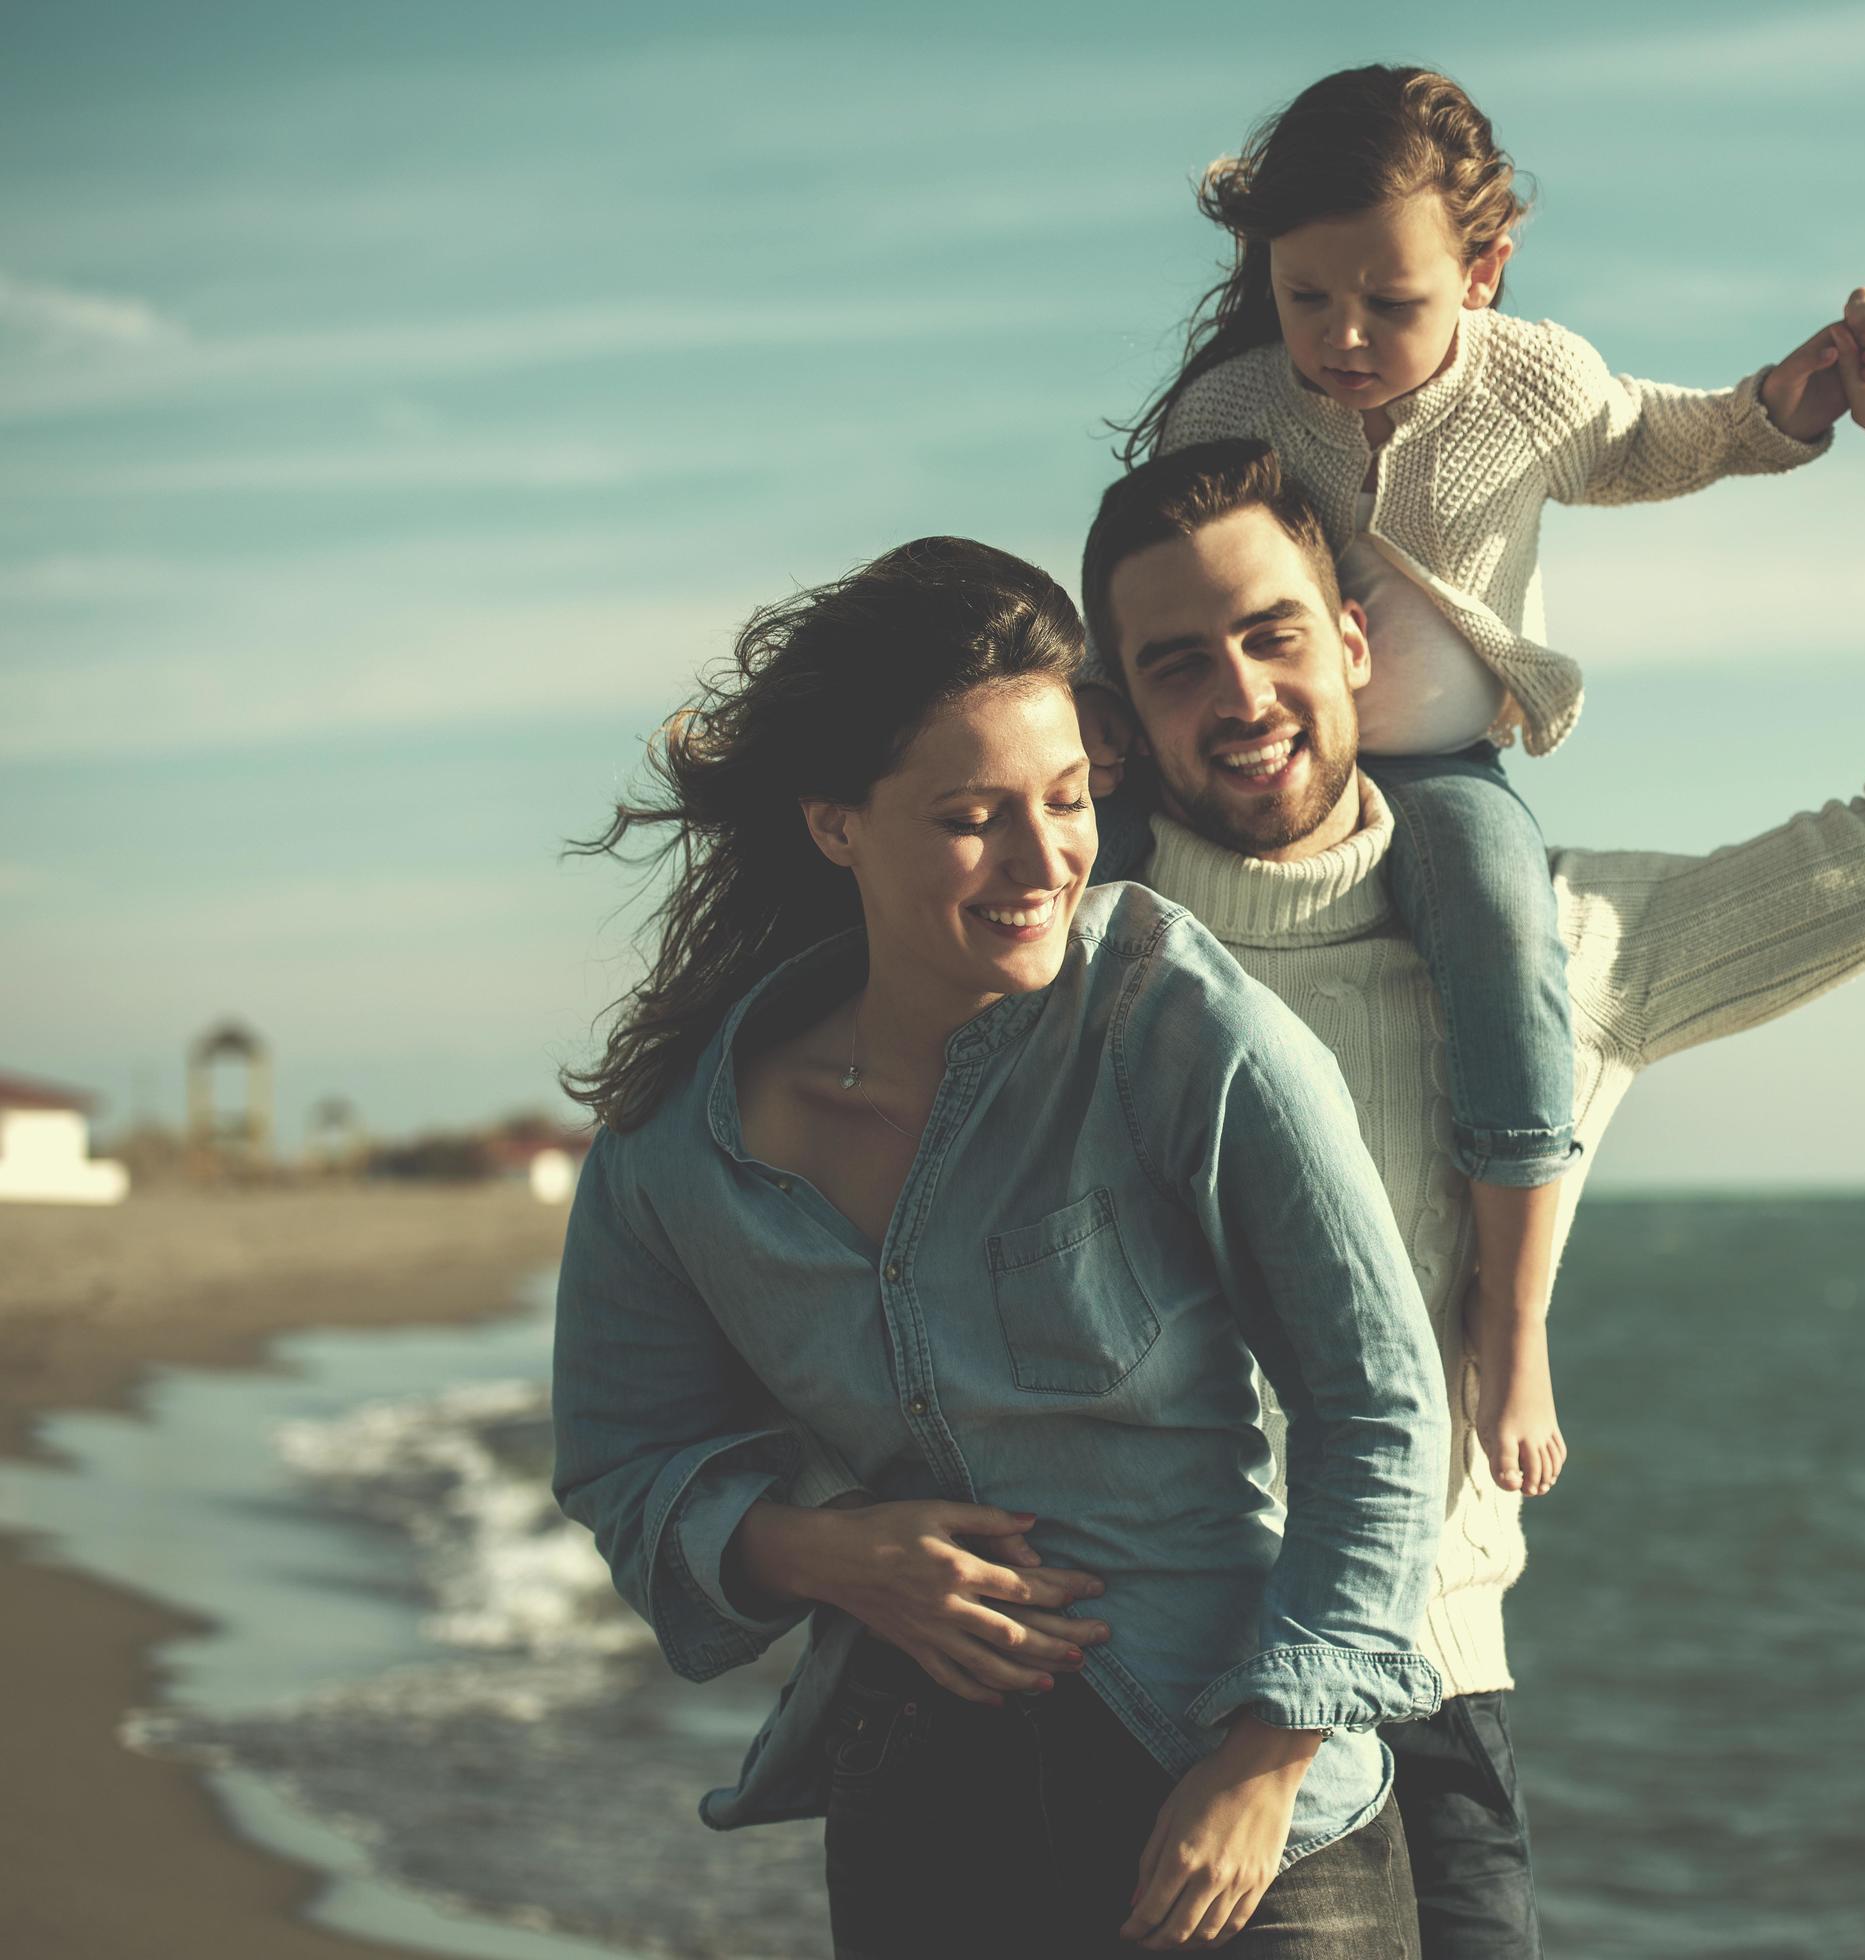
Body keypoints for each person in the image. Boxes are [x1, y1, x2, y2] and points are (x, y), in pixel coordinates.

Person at [1020, 282, 1865, 1957]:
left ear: (1354, 640)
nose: (1242, 694)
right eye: (1179, 663)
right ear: (1117, 713)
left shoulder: (1546, 954)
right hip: (1120, 1694)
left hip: (1429, 1697)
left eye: (1272, 634)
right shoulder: (1050, 962)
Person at [546, 536, 1451, 1955]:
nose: (1043, 862)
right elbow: (620, 1459)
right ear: (836, 821)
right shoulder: (678, 1147)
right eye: (973, 818)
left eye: (1069, 800)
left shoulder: (1169, 1023)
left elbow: (1380, 1402)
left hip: (1231, 1811)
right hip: (923, 1818)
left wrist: (1268, 1760)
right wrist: (818, 1555)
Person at [1090, 65, 1865, 1504]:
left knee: (1508, 940)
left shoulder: (1534, 381)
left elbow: (1658, 438)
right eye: (1305, 295)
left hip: (1441, 769)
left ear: (1483, 270)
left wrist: (1782, 407)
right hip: (1247, 767)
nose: (1341, 336)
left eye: (1389, 302)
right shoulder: (1236, 405)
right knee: (1083, 880)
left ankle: (1508, 1322)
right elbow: (1160, 581)